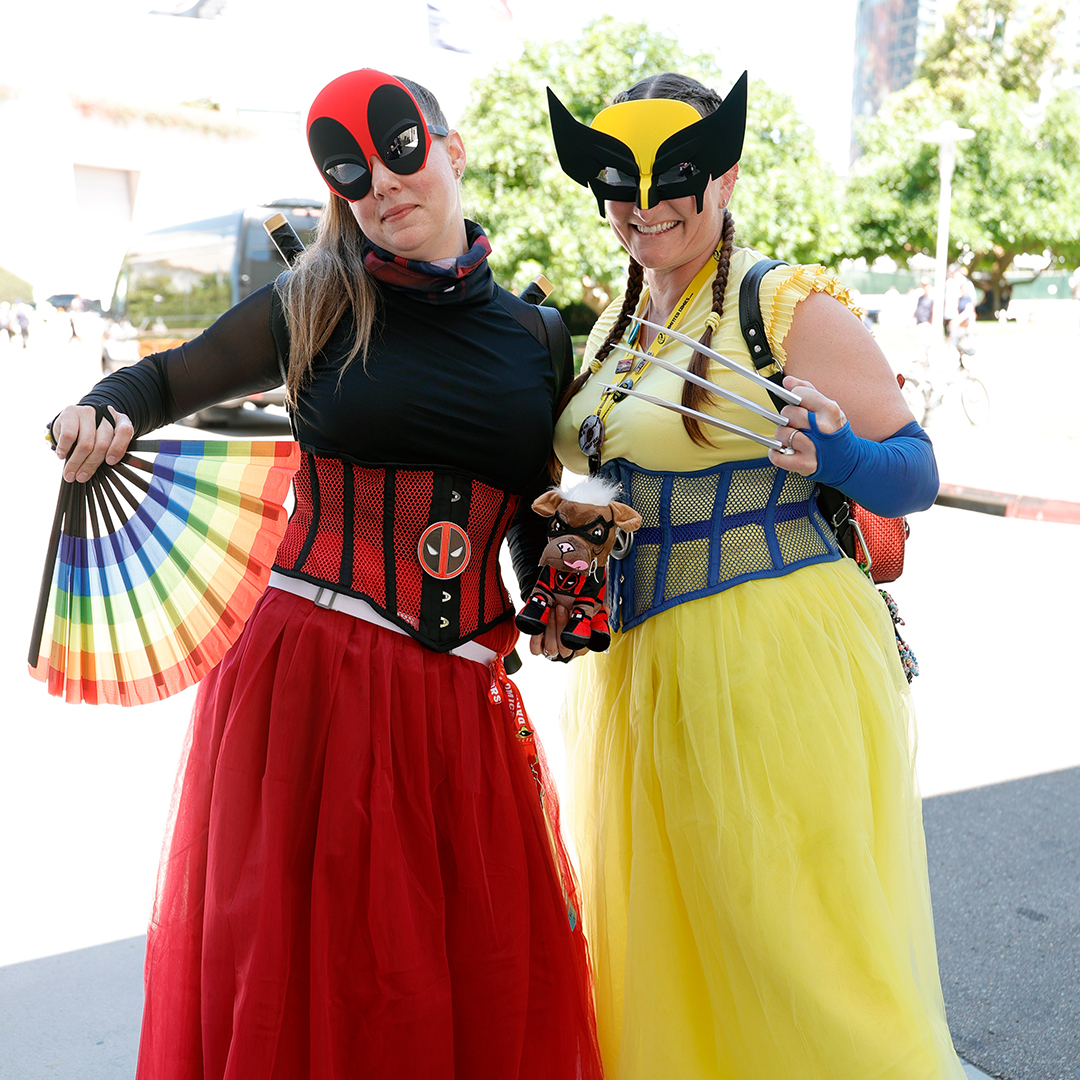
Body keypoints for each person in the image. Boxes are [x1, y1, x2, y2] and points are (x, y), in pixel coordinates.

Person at [49, 69, 602, 1080]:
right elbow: (166, 378)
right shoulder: (314, 302)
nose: (386, 187)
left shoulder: (536, 338)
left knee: (451, 978)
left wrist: (562, 578)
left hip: (458, 703)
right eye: (354, 175)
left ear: (452, 146)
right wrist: (104, 409)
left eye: (403, 152)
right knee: (308, 981)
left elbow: (529, 509)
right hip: (308, 689)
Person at [543, 72, 965, 1080]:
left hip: (768, 661)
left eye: (675, 176)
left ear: (724, 174)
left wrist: (836, 456)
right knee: (675, 946)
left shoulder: (782, 303)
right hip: (643, 669)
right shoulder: (616, 322)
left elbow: (915, 473)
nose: (647, 205)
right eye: (620, 181)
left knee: (801, 953)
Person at [914, 276, 933, 361]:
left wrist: (930, 323)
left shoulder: (931, 298)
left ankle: (926, 359)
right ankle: (922, 358)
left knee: (925, 342)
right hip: (919, 322)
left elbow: (932, 311)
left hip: (926, 323)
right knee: (920, 342)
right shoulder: (920, 298)